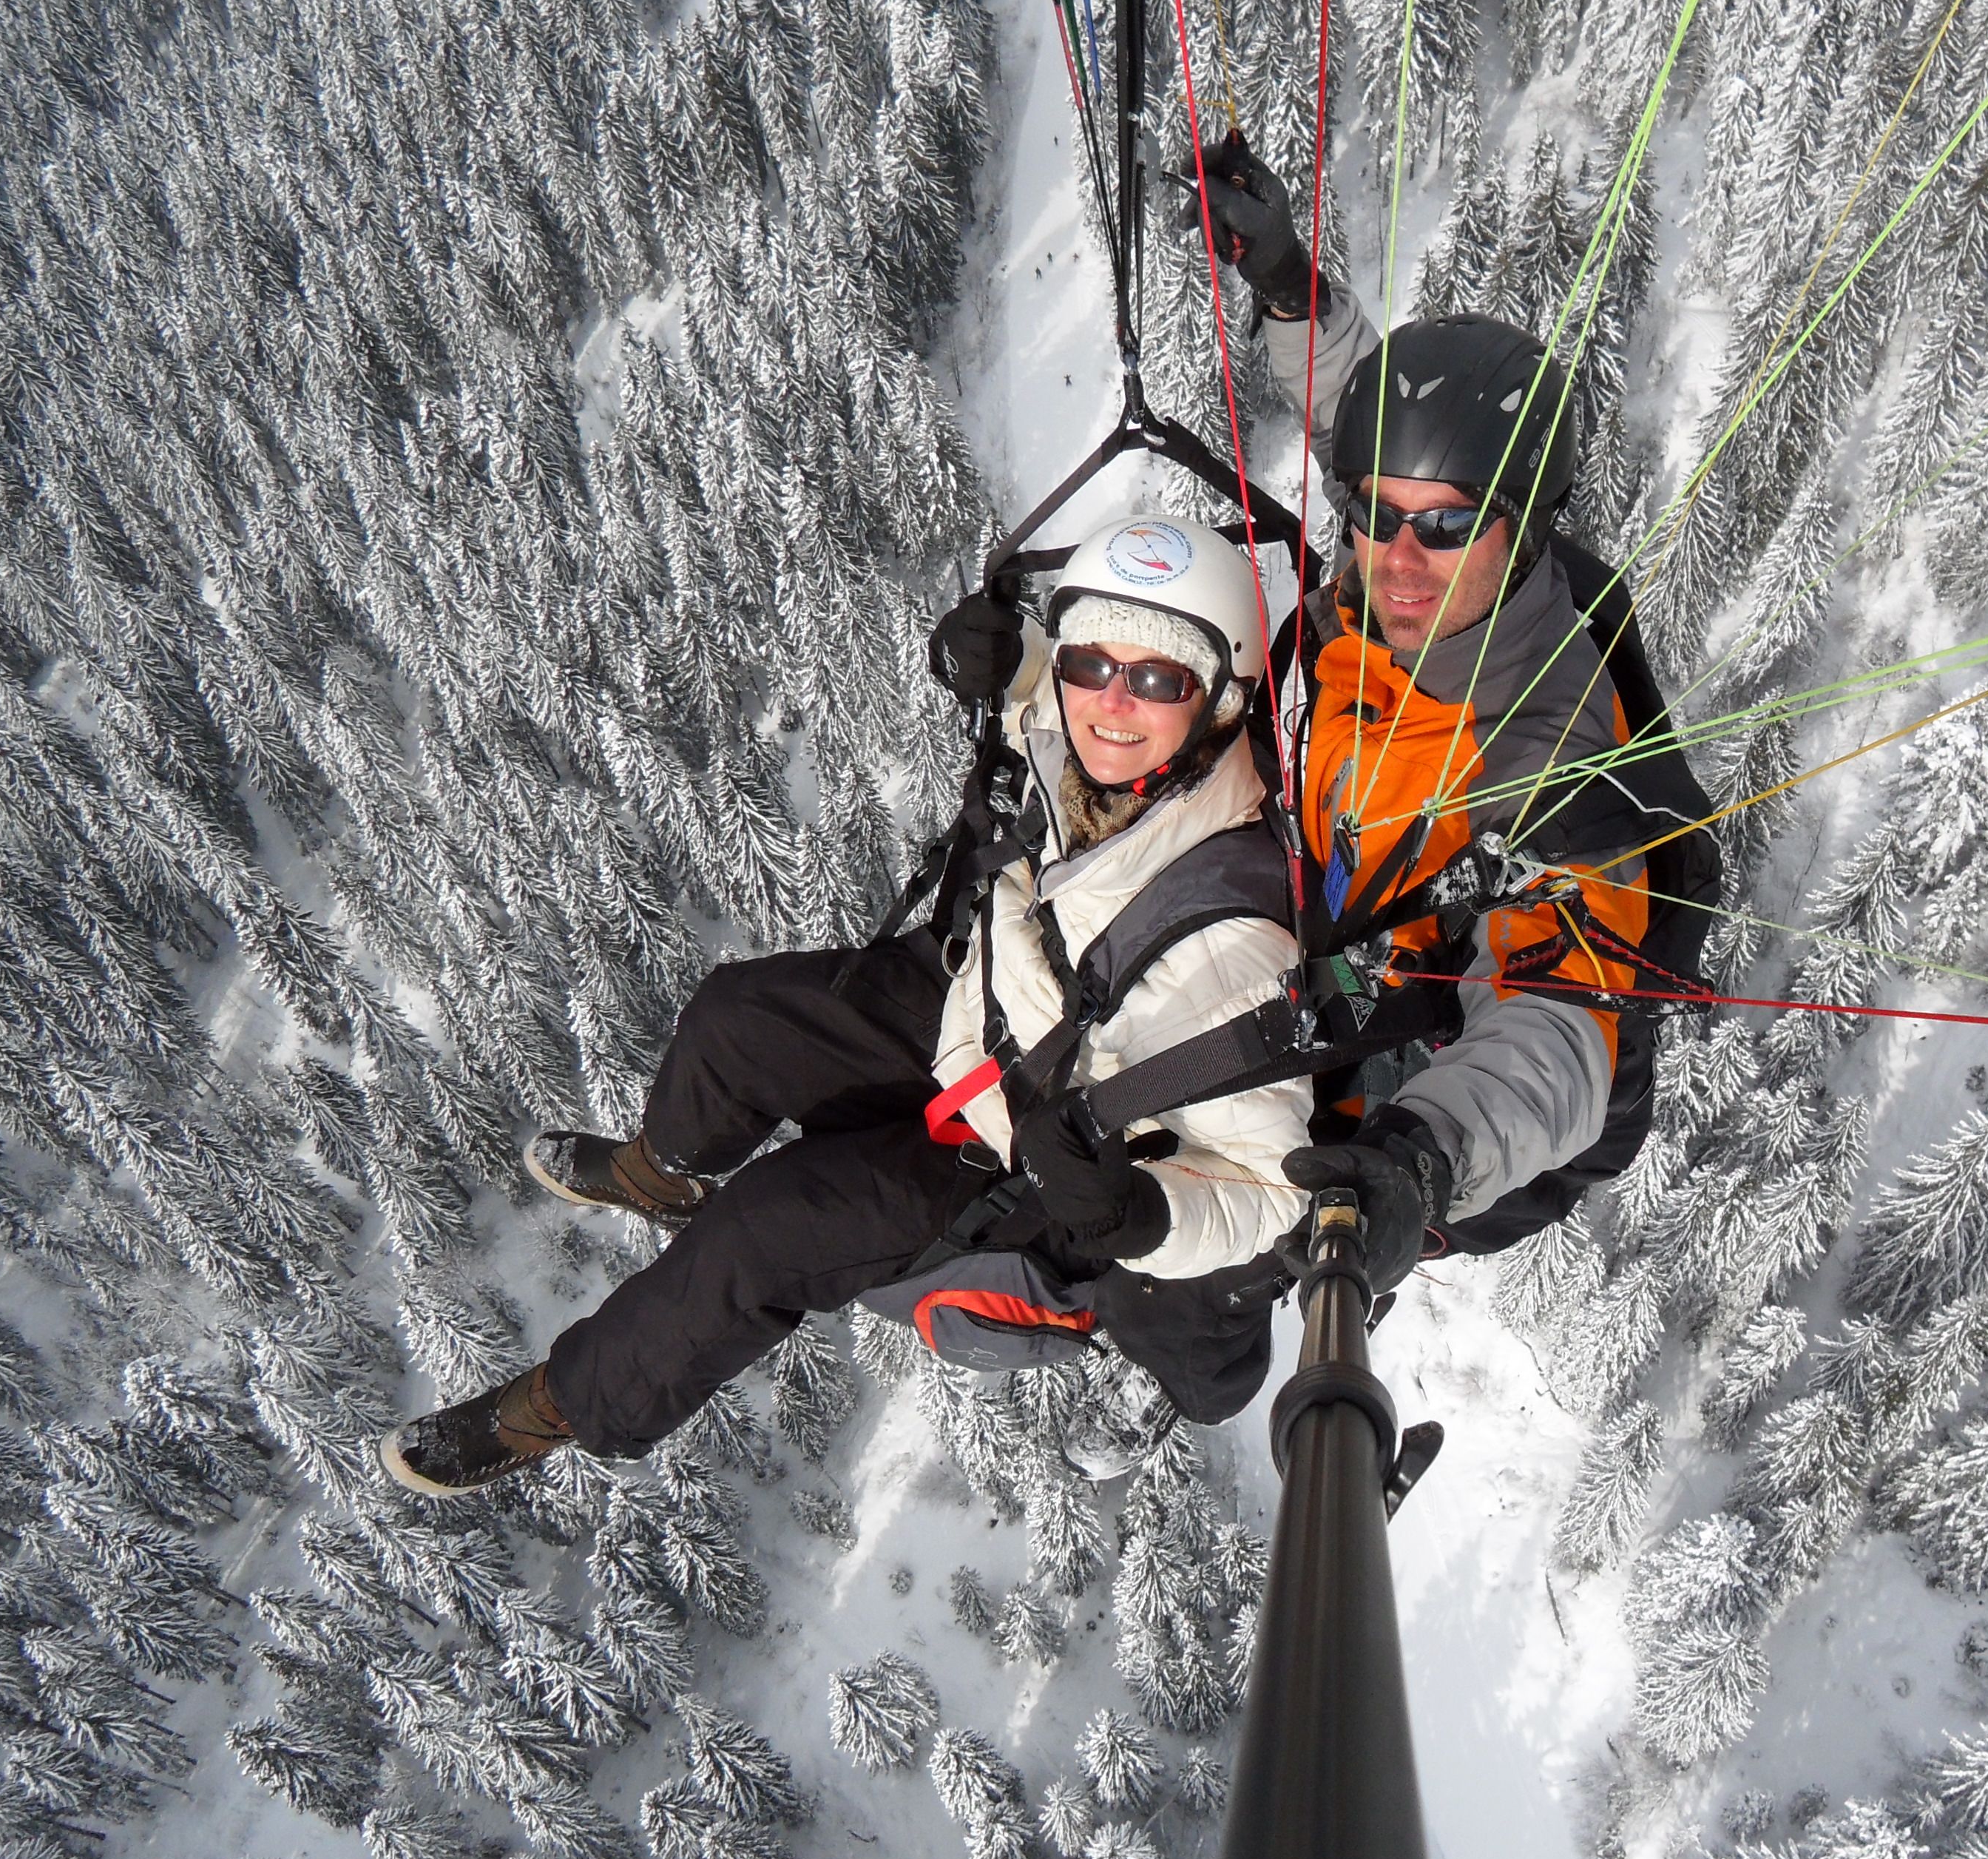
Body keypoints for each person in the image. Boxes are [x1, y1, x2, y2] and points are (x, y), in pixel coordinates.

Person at [935, 140, 1716, 1309]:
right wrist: (1294, 288)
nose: (1399, 558)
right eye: (1372, 516)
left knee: (1178, 1275)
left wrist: (1419, 1160)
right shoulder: (1398, 587)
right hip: (1278, 911)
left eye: (1446, 530)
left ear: (1529, 526)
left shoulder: (1546, 755)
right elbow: (1370, 419)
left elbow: (1560, 1026)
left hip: (1391, 1067)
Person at [380, 518, 1313, 1494]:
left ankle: (562, 1405)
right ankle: (667, 1172)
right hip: (988, 1013)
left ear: (1224, 697)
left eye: (1159, 679)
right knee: (739, 1020)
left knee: (764, 1230)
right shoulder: (1111, 751)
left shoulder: (1228, 943)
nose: (1111, 703)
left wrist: (1141, 1213)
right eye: (1091, 662)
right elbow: (1061, 715)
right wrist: (1019, 662)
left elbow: (1274, 1187)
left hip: (1044, 1152)